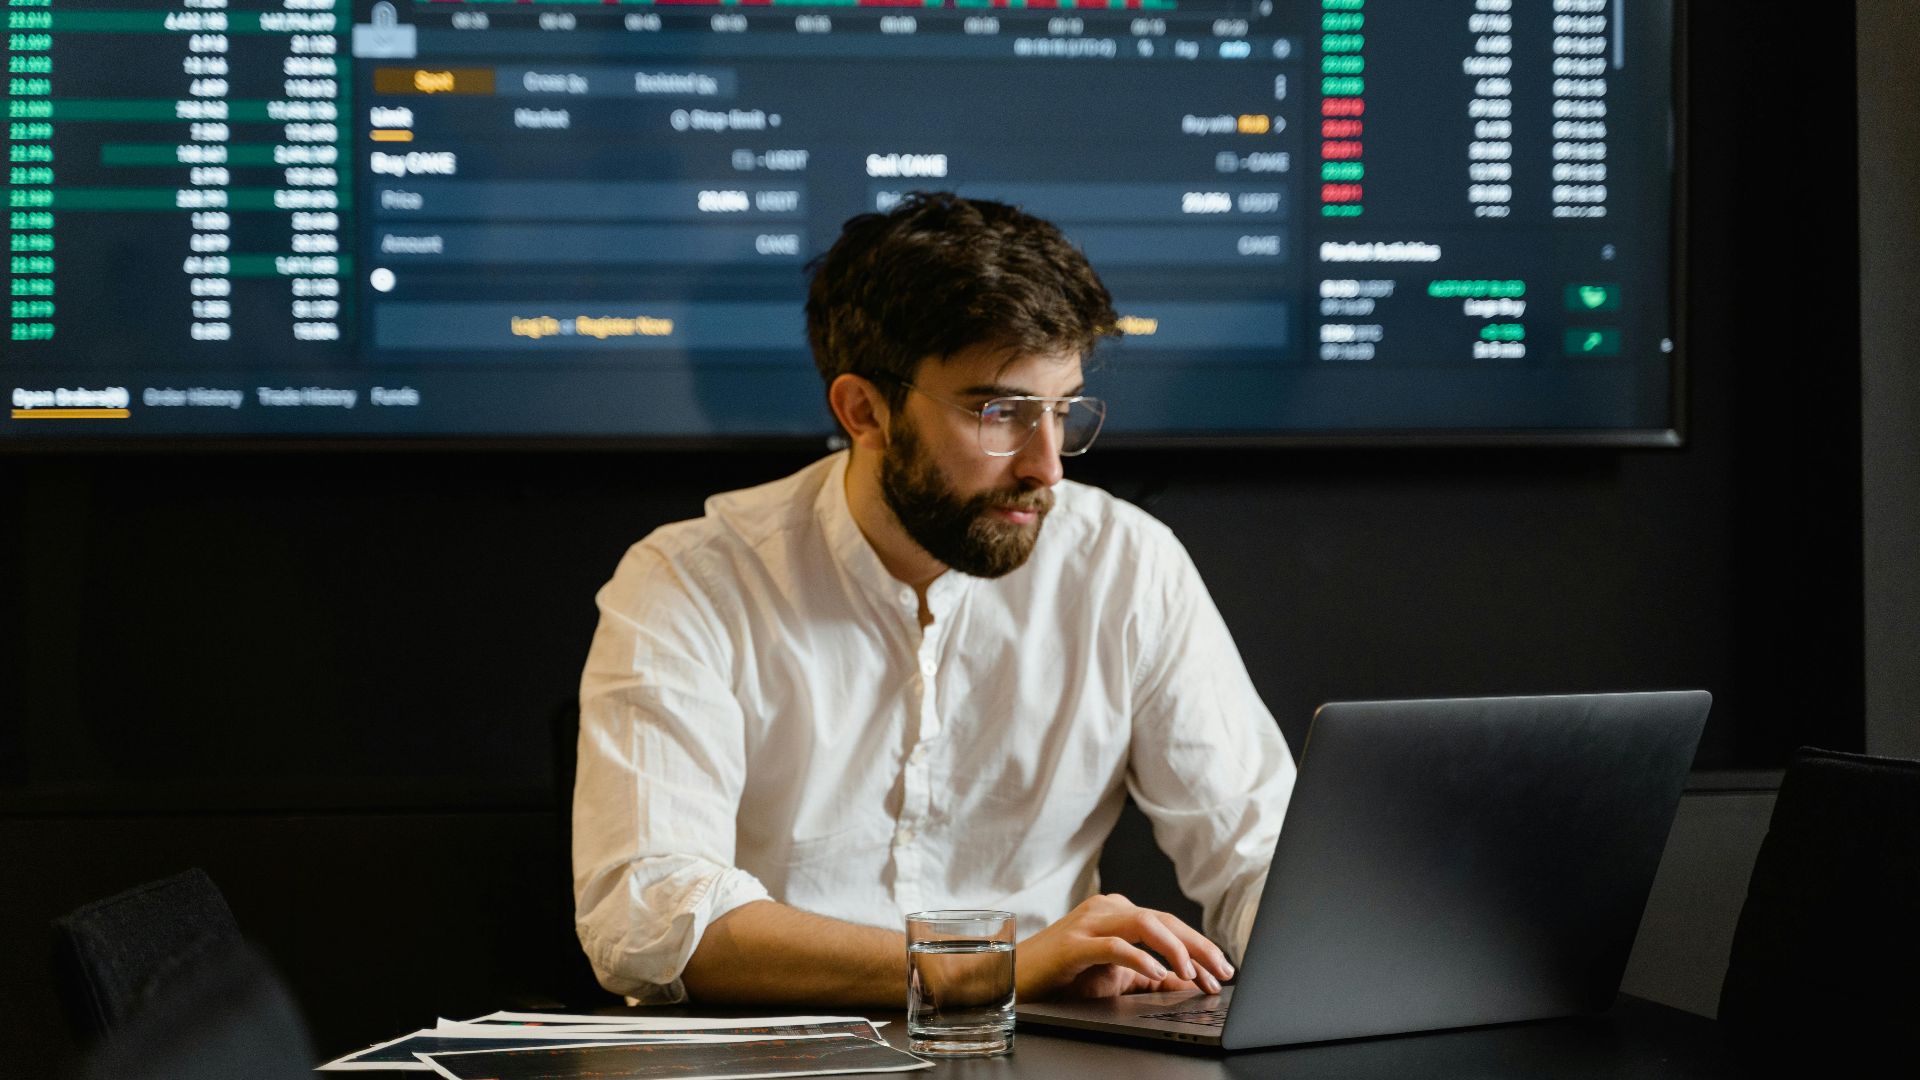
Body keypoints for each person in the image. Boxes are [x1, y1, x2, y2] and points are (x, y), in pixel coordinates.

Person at [573, 192, 1295, 1007]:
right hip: (780, 1060)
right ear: (864, 411)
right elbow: (649, 914)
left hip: (1052, 1055)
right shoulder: (690, 579)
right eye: (1001, 412)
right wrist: (986, 968)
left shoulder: (1127, 564)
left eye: (1063, 411)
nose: (1047, 468)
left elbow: (1263, 856)